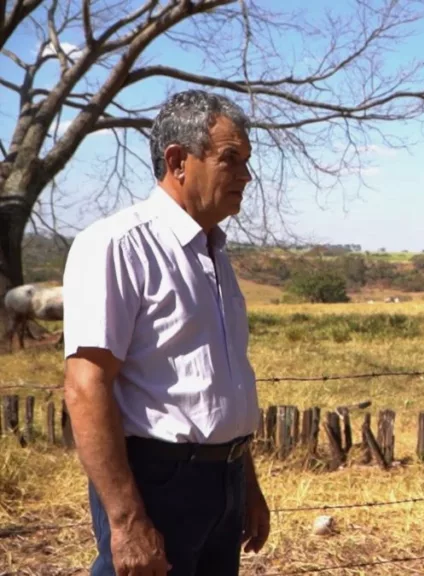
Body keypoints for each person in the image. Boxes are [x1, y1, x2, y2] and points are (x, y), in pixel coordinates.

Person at [62, 89, 271, 576]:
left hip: (225, 479)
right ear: (178, 161)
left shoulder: (214, 252)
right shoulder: (117, 245)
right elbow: (85, 385)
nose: (246, 175)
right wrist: (127, 519)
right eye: (230, 159)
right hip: (157, 482)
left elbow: (223, 380)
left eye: (246, 160)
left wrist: (246, 481)